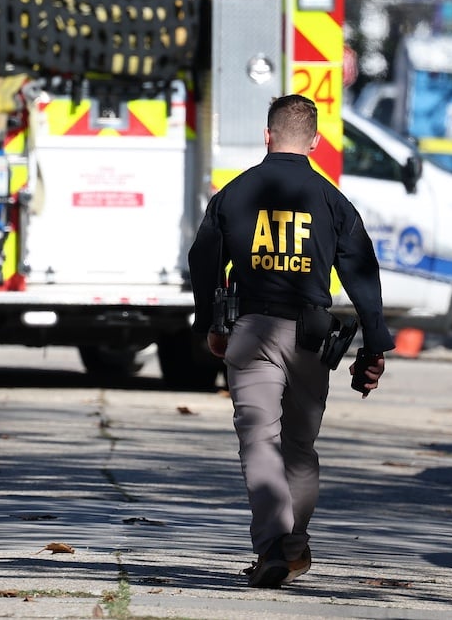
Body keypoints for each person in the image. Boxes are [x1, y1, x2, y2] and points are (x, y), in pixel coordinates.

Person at [186, 94, 394, 588]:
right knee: (299, 447)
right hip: (309, 338)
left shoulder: (232, 195)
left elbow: (204, 260)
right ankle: (291, 545)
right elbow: (362, 272)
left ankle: (275, 546)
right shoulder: (333, 201)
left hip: (251, 331)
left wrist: (212, 324)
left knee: (259, 438)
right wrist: (375, 346)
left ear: (267, 135)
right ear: (316, 142)